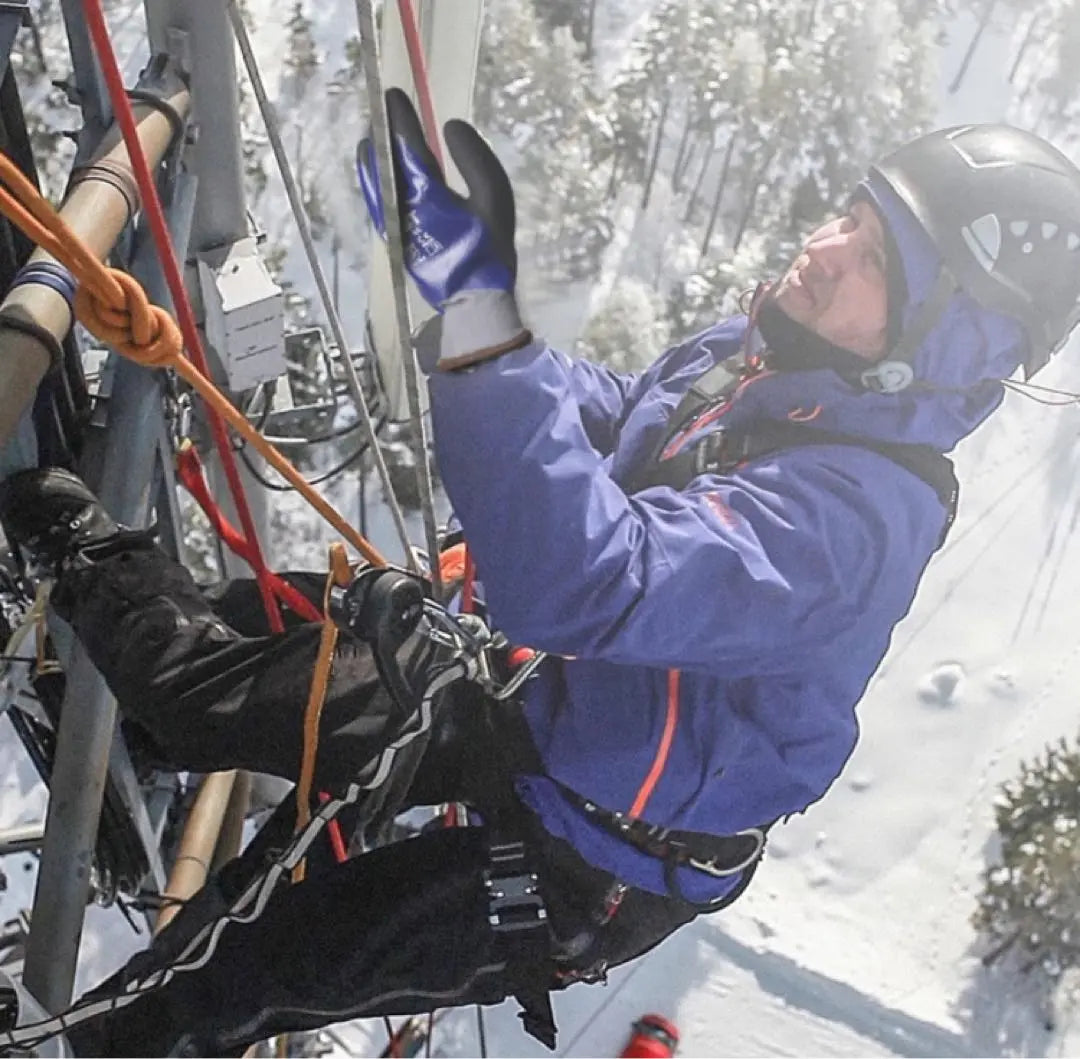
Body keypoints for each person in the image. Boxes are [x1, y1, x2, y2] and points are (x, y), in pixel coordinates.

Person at [3, 104, 1080, 1057]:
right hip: (536, 698)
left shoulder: (852, 526)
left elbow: (588, 578)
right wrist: (490, 336)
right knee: (208, 678)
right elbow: (622, 414)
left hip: (581, 858)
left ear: (945, 347)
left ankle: (81, 1034)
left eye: (883, 261)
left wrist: (481, 333)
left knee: (220, 983)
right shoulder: (775, 361)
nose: (829, 246)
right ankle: (67, 602)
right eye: (852, 210)